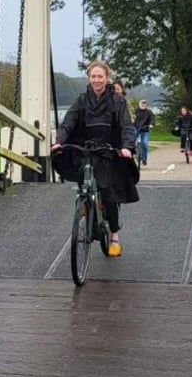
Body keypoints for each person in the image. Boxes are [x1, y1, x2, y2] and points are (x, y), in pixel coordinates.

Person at [51, 60, 139, 256]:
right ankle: (83, 206)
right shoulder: (82, 100)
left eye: (100, 76)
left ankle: (114, 236)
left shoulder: (117, 101)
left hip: (109, 150)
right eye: (93, 76)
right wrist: (59, 141)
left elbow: (126, 125)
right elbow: (69, 122)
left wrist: (126, 146)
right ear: (89, 78)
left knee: (108, 192)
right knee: (83, 175)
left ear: (106, 78)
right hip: (88, 149)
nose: (97, 80)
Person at [132, 98, 154, 167]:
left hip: (145, 130)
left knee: (144, 144)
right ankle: (134, 154)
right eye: (142, 103)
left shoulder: (149, 112)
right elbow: (131, 117)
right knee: (131, 141)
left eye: (144, 103)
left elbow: (152, 119)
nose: (143, 105)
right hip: (136, 128)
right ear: (139, 104)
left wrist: (151, 124)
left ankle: (144, 159)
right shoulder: (135, 111)